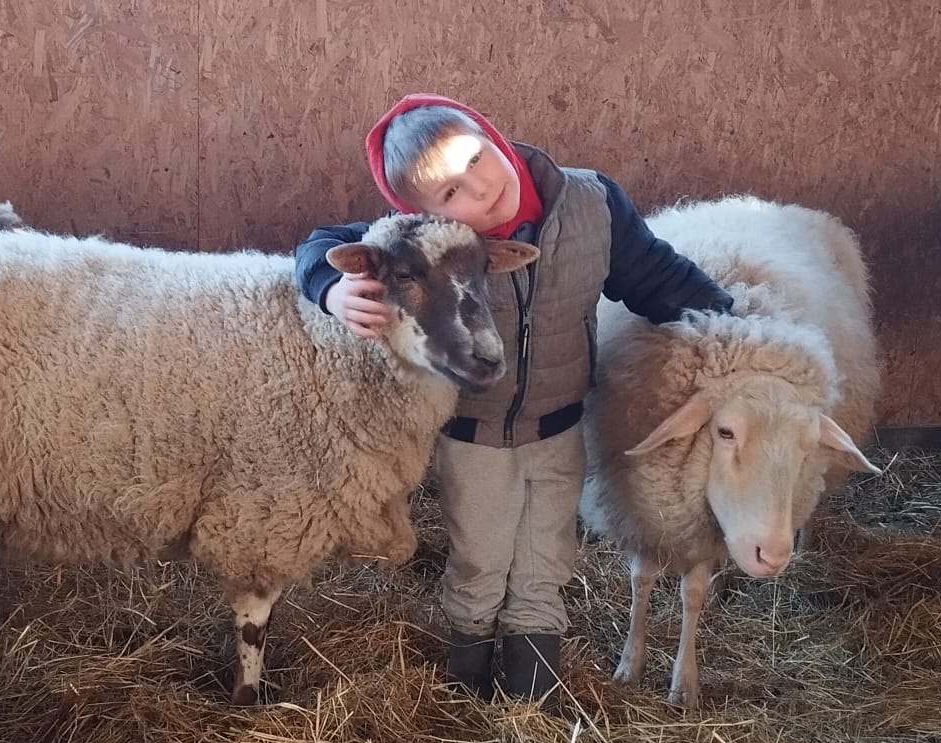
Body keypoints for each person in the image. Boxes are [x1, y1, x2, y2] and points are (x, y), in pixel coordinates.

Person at [294, 93, 733, 710]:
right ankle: (466, 694)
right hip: (472, 430)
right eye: (449, 194)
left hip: (559, 426)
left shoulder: (592, 204)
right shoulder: (434, 242)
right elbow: (325, 242)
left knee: (547, 559)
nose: (479, 185)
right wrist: (329, 286)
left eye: (477, 156)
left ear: (490, 134)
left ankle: (533, 702)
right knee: (479, 558)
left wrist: (732, 325)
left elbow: (656, 276)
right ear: (420, 213)